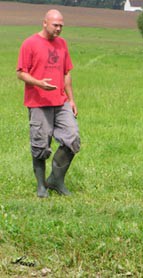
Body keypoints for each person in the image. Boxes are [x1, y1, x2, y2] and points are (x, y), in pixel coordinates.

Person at [17, 9, 80, 198]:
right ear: (44, 23)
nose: (59, 29)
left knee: (72, 138)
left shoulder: (62, 44)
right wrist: (39, 84)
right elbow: (20, 72)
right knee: (40, 146)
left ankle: (55, 180)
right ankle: (41, 187)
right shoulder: (30, 43)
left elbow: (66, 73)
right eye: (55, 25)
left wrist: (71, 99)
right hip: (38, 103)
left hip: (61, 103)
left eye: (61, 25)